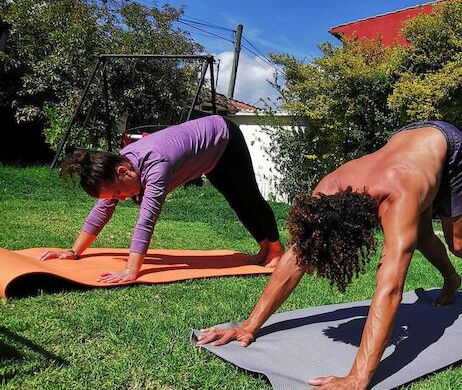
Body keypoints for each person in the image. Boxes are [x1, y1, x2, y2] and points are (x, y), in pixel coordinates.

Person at [197, 121, 462, 390]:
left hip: (447, 146)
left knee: (459, 241)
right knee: (424, 235)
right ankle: (451, 279)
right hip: (406, 141)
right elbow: (296, 257)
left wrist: (357, 377)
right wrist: (249, 326)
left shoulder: (398, 200)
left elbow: (390, 287)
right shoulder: (327, 189)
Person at [40, 115, 283, 283]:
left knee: (248, 196)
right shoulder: (118, 165)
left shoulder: (156, 166)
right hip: (208, 156)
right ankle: (264, 247)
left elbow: (147, 220)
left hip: (224, 138)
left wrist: (130, 269)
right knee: (235, 200)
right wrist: (73, 251)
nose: (120, 199)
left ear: (124, 172)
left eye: (118, 193)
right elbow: (102, 209)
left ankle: (275, 249)